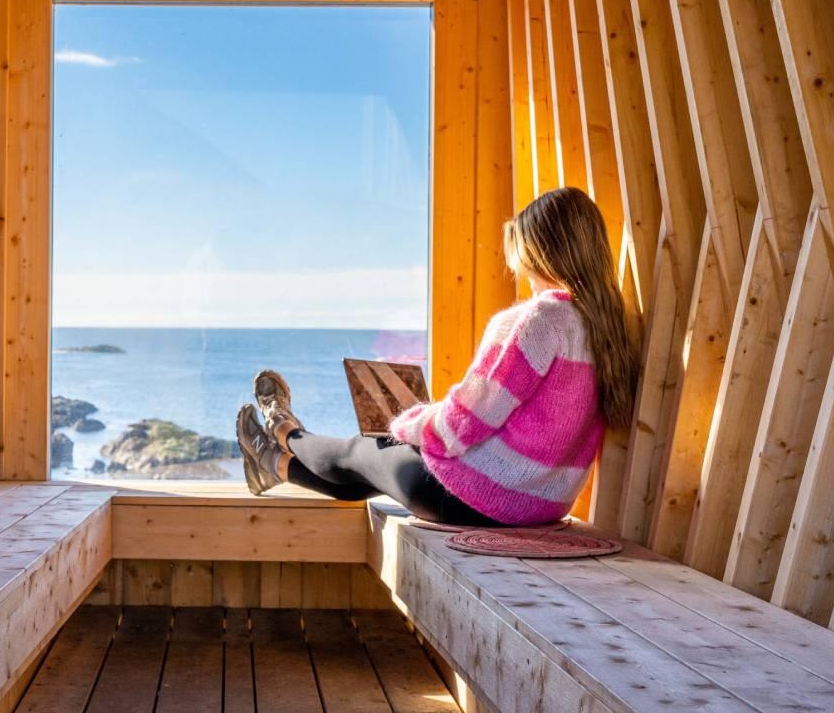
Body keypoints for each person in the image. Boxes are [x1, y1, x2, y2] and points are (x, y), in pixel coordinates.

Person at [234, 187, 640, 527]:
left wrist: (407, 422)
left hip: (483, 500)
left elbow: (464, 423)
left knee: (363, 449)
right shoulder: (606, 325)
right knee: (370, 472)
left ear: (541, 252)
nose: (520, 269)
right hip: (542, 506)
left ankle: (283, 428)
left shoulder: (540, 320)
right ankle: (271, 461)